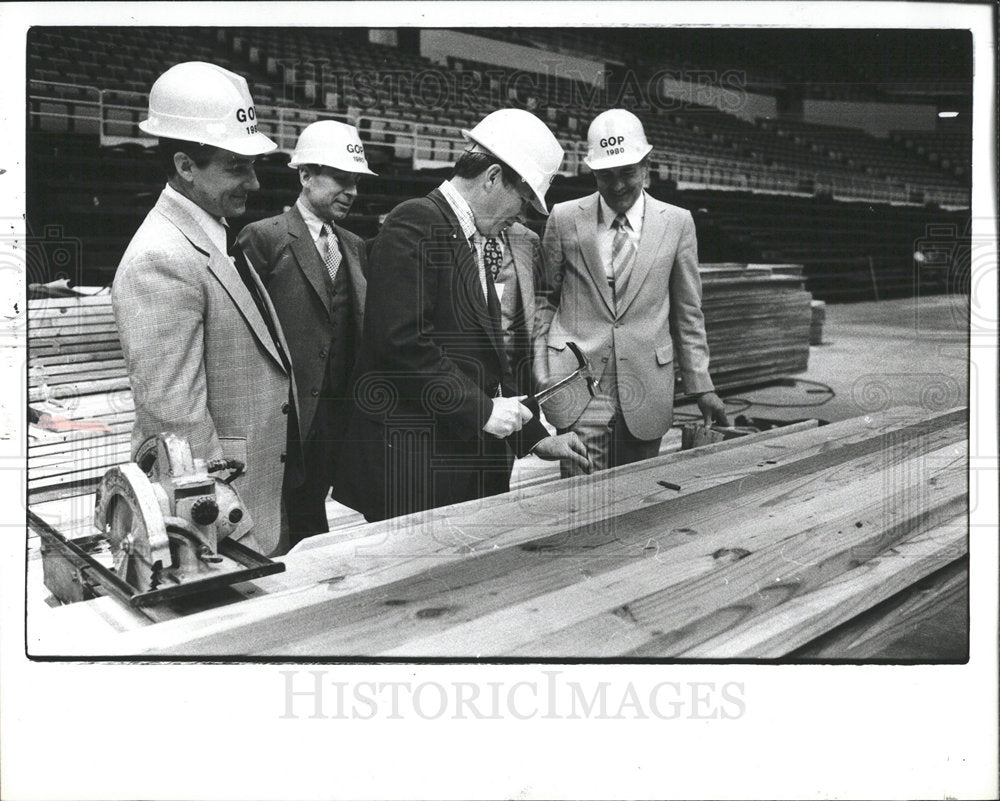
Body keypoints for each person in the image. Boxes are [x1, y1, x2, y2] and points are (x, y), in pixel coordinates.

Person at [334, 109, 589, 523]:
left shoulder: (465, 235)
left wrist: (534, 436)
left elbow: (490, 359)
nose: (520, 217)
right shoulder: (415, 221)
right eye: (522, 200)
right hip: (416, 469)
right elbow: (401, 343)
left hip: (451, 461)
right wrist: (485, 412)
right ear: (491, 177)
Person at [112, 62, 297, 556]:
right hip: (223, 524)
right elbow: (174, 423)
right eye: (237, 167)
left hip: (253, 498)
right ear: (185, 166)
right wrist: (232, 532)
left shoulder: (209, 234)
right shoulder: (161, 258)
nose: (255, 183)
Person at [535, 108, 728, 477]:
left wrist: (701, 385)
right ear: (592, 172)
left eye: (627, 173)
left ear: (646, 165)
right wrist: (543, 369)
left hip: (646, 383)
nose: (619, 185)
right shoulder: (563, 217)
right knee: (582, 495)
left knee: (638, 494)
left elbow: (688, 312)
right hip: (577, 381)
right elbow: (545, 298)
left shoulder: (677, 222)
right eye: (606, 176)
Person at [237, 121, 374, 545]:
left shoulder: (353, 245)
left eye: (355, 181)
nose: (351, 191)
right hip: (284, 417)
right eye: (340, 178)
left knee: (312, 508)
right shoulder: (263, 238)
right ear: (305, 175)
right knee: (285, 518)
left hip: (336, 415)